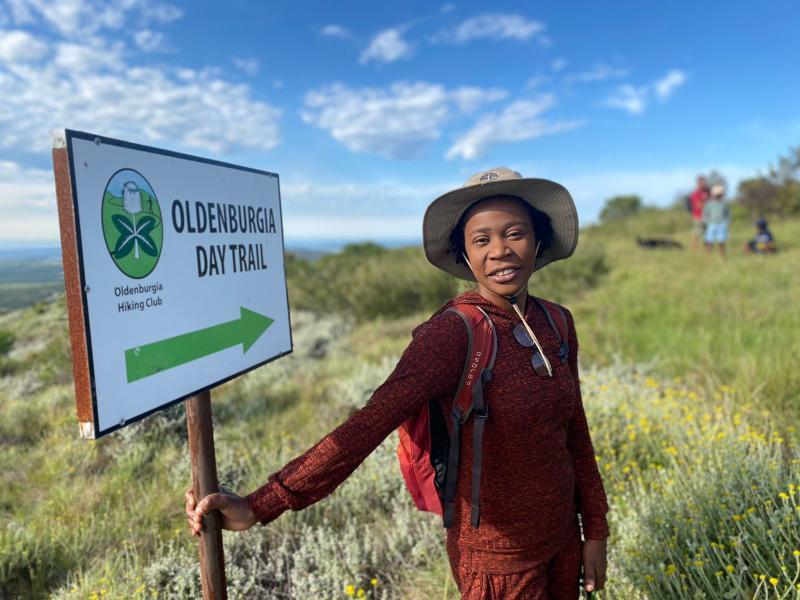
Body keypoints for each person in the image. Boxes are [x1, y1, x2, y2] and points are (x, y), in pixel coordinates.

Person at [185, 167, 610, 599]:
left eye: (514, 233)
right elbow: (367, 426)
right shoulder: (452, 335)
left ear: (537, 241)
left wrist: (594, 529)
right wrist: (261, 504)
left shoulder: (556, 322)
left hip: (563, 542)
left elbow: (574, 431)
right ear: (464, 256)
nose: (500, 250)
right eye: (481, 240)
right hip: (497, 562)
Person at [702, 184, 731, 255]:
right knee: (709, 241)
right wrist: (706, 222)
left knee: (721, 241)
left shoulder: (724, 204)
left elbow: (727, 214)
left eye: (719, 194)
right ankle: (708, 255)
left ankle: (722, 255)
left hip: (722, 224)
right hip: (711, 224)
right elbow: (705, 213)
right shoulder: (709, 204)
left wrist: (726, 222)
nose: (718, 196)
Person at [689, 176, 710, 252]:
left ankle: (707, 251)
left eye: (704, 182)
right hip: (698, 216)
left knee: (707, 234)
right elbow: (698, 205)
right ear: (698, 183)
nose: (703, 183)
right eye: (702, 182)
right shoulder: (695, 193)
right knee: (696, 234)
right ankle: (694, 251)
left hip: (707, 217)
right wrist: (708, 204)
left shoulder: (708, 191)